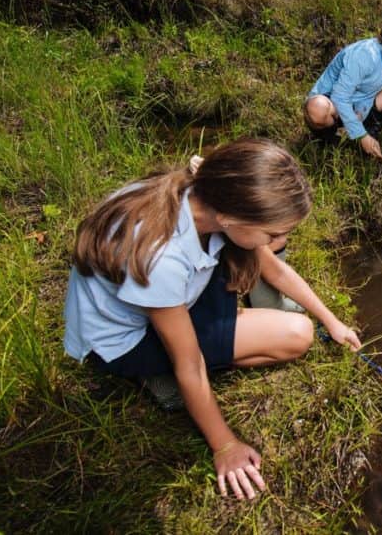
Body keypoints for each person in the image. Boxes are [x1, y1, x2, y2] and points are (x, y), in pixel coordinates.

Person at [63, 138, 362, 500]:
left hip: (164, 301)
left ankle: (229, 330)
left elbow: (277, 272)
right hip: (123, 343)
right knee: (297, 335)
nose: (280, 241)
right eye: (272, 233)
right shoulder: (163, 258)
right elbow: (189, 363)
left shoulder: (203, 197)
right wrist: (225, 447)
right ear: (233, 217)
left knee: (269, 287)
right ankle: (159, 381)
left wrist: (331, 320)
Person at [303, 20, 382, 162]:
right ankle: (333, 142)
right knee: (317, 108)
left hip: (360, 107)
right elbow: (339, 97)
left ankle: (369, 134)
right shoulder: (365, 55)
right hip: (333, 104)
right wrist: (361, 135)